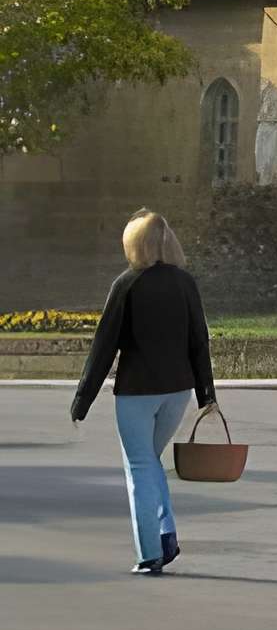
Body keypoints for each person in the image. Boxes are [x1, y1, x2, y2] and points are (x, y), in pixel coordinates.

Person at [70, 210, 218, 575]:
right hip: (178, 390)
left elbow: (104, 346)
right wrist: (207, 394)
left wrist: (82, 401)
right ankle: (166, 535)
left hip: (137, 391)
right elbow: (199, 340)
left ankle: (150, 553)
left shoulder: (127, 284)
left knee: (139, 466)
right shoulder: (185, 282)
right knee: (150, 461)